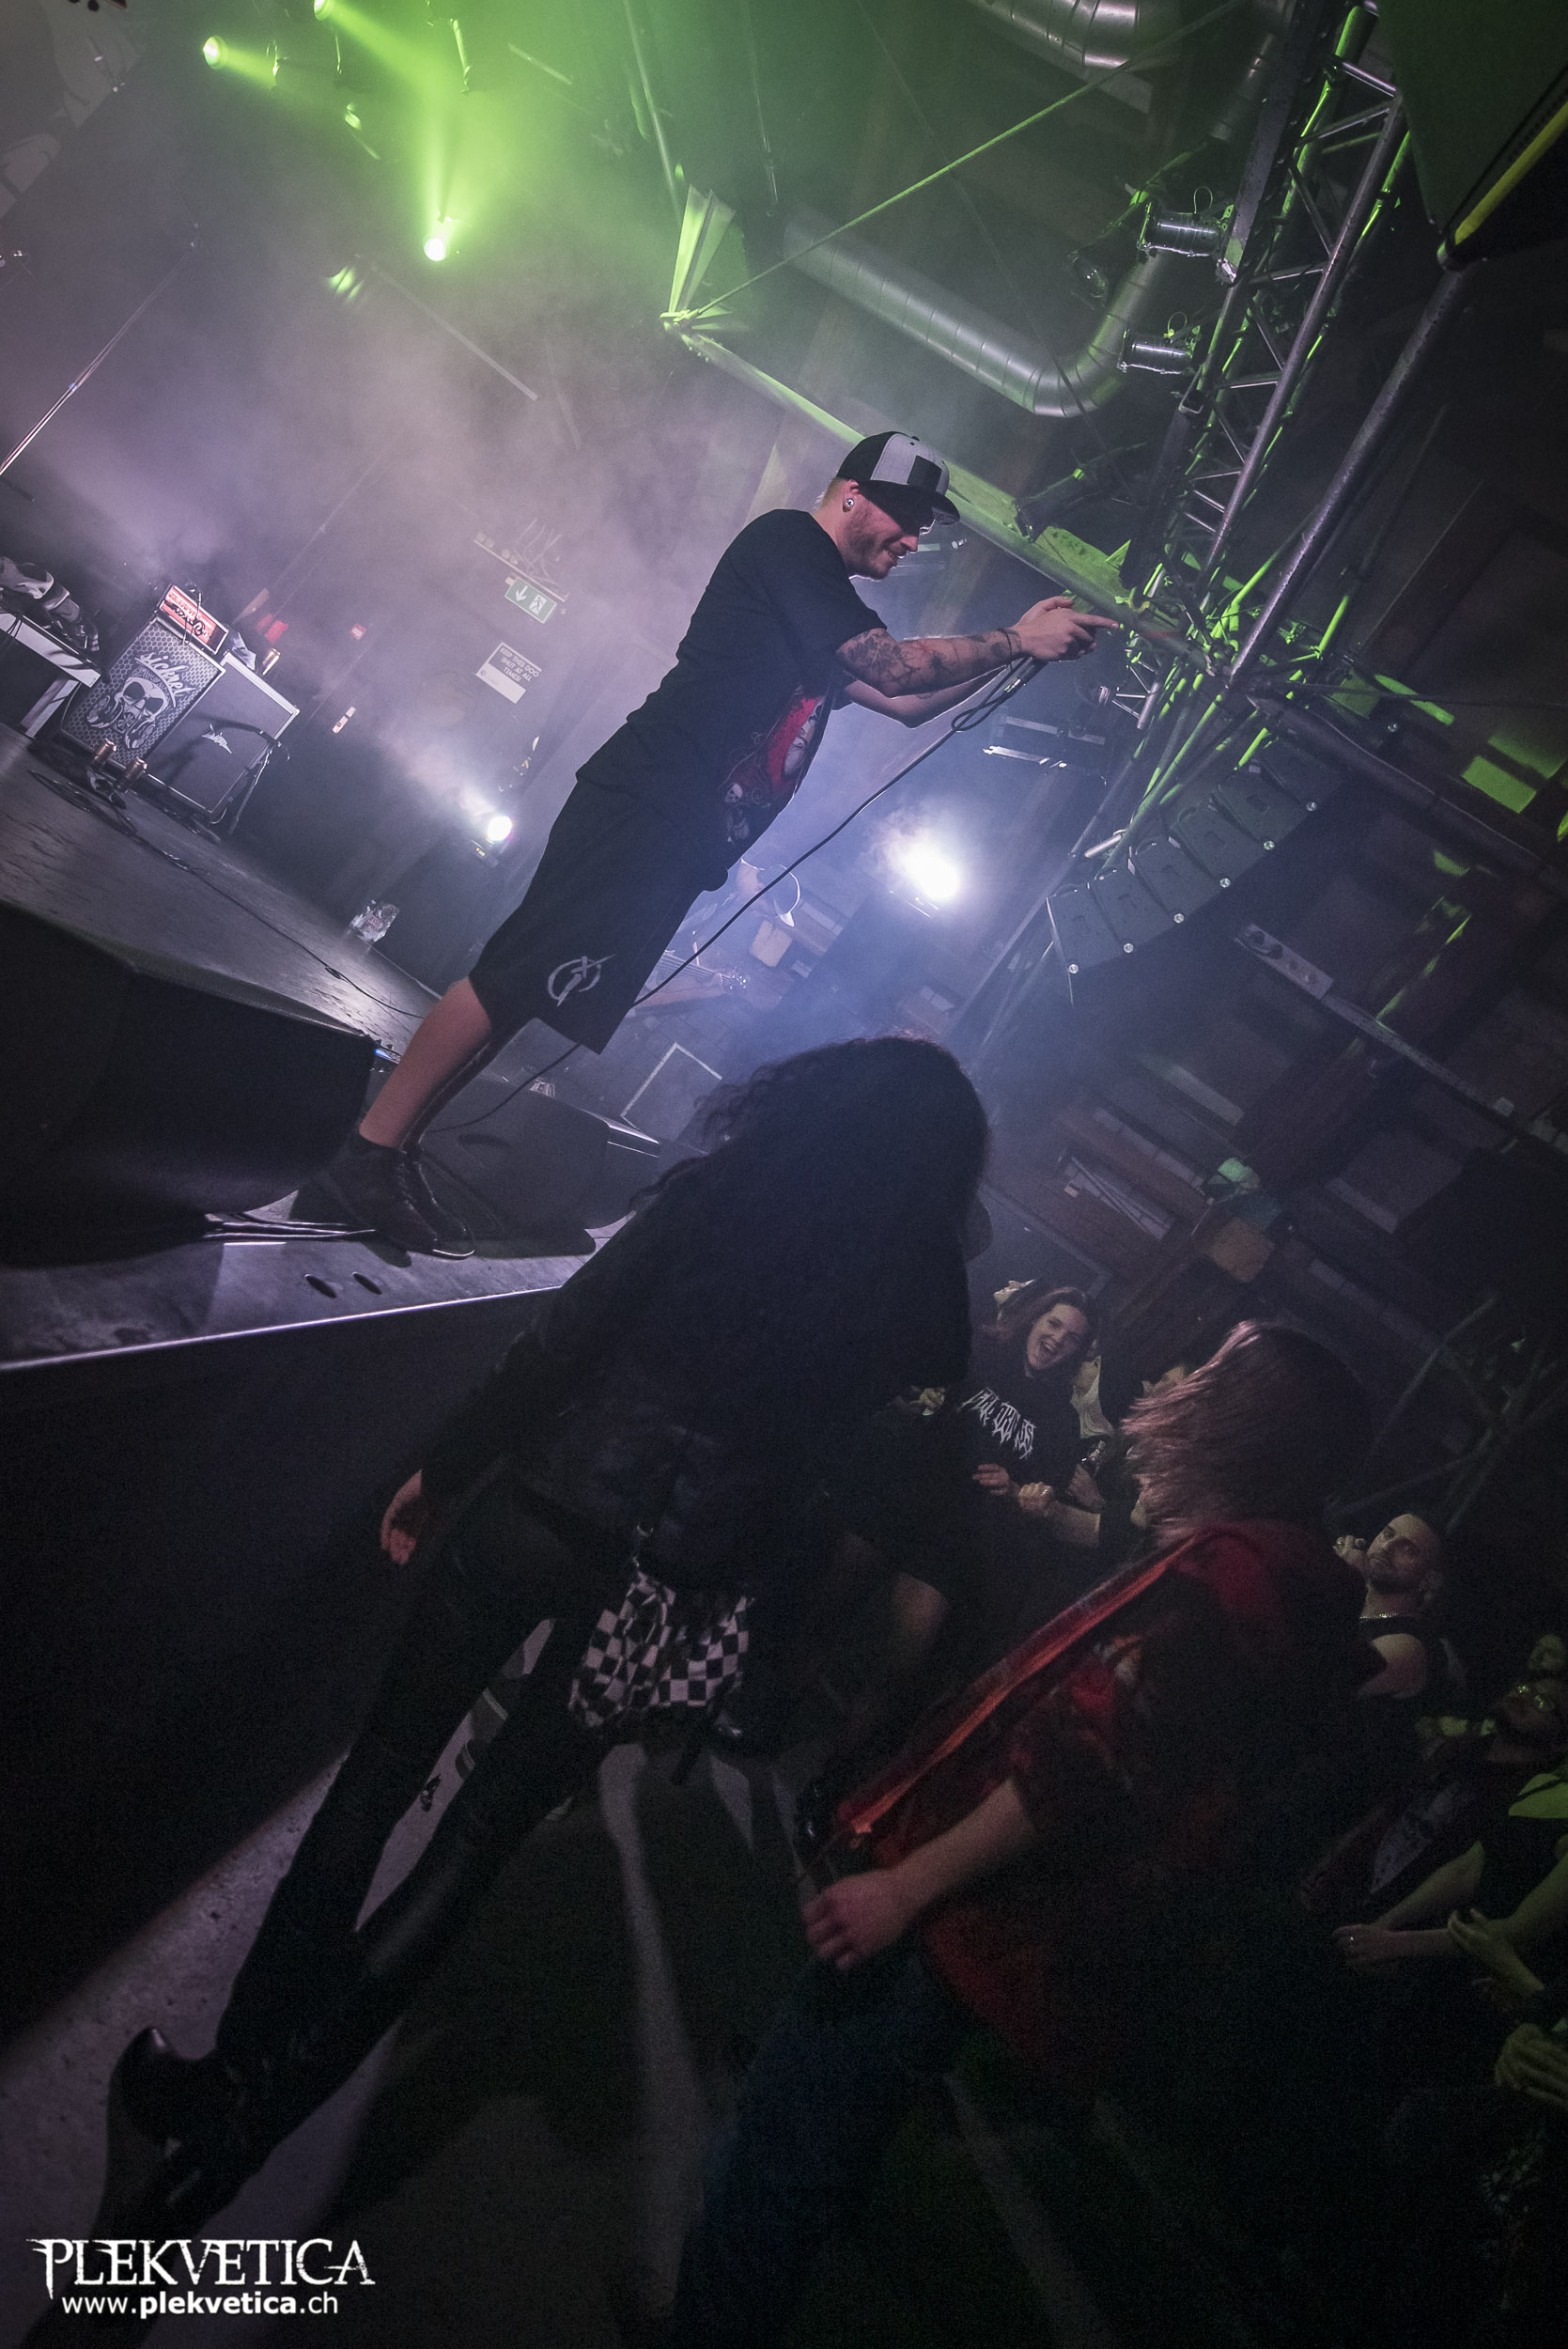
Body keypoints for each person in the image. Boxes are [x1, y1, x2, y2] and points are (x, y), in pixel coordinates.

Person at [111, 1037, 989, 2229]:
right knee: (477, 1843)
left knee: (376, 1779)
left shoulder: (719, 1192)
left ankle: (224, 2073)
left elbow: (562, 1341)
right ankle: (247, 2129)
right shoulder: (908, 1295)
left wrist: (447, 1463)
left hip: (547, 1506)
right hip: (670, 1581)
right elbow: (906, 1396)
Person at [665, 1322, 1374, 2346]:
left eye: (1221, 1371)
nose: (1190, 1381)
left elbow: (1086, 1759)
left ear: (1248, 1418)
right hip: (1022, 1915)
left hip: (977, 1911)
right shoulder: (1277, 1576)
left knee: (783, 2142)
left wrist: (908, 1885)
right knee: (829, 2131)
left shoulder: (1237, 1578)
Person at [321, 431, 1118, 1253]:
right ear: (851, 494)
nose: (913, 541)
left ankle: (394, 1148)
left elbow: (906, 705)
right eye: (905, 518)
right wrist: (1013, 639)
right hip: (648, 802)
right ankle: (368, 1149)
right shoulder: (790, 546)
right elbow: (894, 668)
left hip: (676, 828)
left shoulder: (817, 603)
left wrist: (1018, 649)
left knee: (530, 991)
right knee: (512, 975)